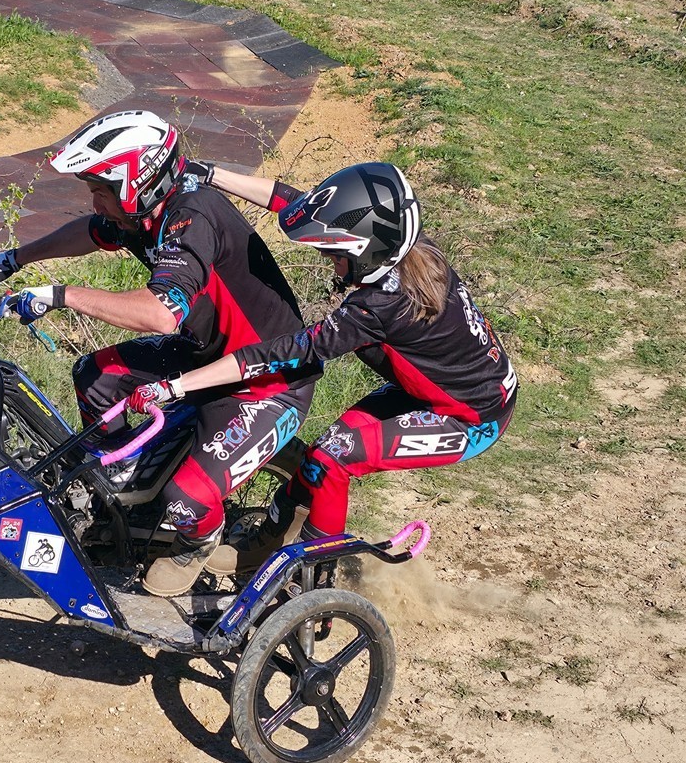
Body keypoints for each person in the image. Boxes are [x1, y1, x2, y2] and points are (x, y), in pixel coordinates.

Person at [0, 110, 320, 596]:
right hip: (205, 354)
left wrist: (62, 295)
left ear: (138, 179)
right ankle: (117, 494)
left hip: (268, 380)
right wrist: (13, 259)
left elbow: (161, 313)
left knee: (186, 500)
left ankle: (199, 540)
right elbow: (90, 232)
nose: (95, 201)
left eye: (102, 189)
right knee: (96, 376)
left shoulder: (191, 218)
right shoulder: (144, 211)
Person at [124, 161, 518, 584]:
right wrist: (208, 172)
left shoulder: (375, 310)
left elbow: (279, 354)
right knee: (320, 454)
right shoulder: (409, 247)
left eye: (335, 256)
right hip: (446, 390)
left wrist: (176, 386)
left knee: (334, 458)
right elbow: (295, 203)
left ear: (365, 253)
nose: (331, 264)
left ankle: (314, 579)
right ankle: (272, 538)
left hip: (471, 417)